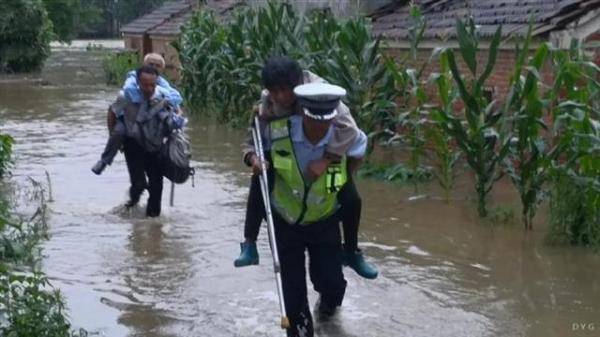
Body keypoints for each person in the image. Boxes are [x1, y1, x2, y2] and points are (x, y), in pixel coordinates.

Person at [234, 56, 378, 279]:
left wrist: (330, 160)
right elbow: (252, 140)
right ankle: (249, 243)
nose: (281, 97)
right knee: (260, 182)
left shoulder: (322, 96)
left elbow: (351, 133)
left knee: (352, 199)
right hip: (284, 155)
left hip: (327, 158)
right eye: (275, 91)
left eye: (286, 90)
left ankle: (351, 251)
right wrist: (253, 158)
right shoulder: (268, 102)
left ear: (299, 83)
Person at [261, 82, 367, 336]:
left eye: (326, 121)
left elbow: (359, 152)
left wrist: (340, 172)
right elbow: (260, 181)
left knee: (330, 282)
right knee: (293, 293)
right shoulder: (278, 133)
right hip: (286, 222)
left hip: (323, 220)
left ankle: (328, 310)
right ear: (302, 113)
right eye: (313, 120)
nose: (320, 127)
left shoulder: (344, 133)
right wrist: (250, 237)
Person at [97, 65, 182, 217]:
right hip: (133, 145)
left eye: (152, 85)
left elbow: (177, 111)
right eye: (145, 84)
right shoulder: (126, 96)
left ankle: (153, 224)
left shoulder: (163, 97)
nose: (149, 88)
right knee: (139, 184)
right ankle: (131, 206)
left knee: (157, 186)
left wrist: (177, 118)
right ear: (138, 82)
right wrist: (116, 138)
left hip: (156, 145)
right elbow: (112, 113)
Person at [91, 53, 184, 175]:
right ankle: (104, 160)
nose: (154, 67)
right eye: (151, 64)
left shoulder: (162, 84)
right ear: (144, 65)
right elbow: (122, 99)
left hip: (151, 124)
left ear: (162, 69)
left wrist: (176, 116)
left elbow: (175, 101)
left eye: (158, 65)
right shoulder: (133, 80)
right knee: (118, 133)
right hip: (127, 119)